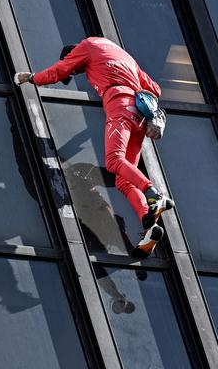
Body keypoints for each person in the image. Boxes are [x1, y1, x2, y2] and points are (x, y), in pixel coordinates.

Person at [15, 37, 174, 255]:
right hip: (140, 117)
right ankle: (150, 228)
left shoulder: (87, 46)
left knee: (113, 160)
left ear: (74, 56)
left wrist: (31, 78)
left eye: (76, 70)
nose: (77, 73)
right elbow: (155, 89)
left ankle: (154, 194)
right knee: (123, 180)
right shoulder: (121, 53)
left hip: (120, 106)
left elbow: (59, 71)